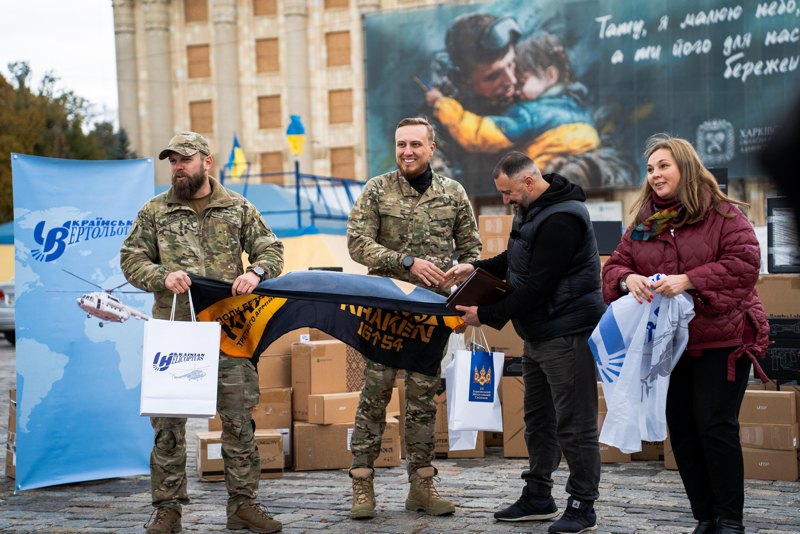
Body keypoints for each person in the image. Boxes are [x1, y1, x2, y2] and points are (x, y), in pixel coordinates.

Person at [601, 134, 770, 534]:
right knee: (683, 428)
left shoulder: (723, 215)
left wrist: (689, 280)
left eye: (663, 166)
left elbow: (745, 264)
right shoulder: (644, 223)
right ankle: (705, 517)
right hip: (669, 347)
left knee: (714, 425)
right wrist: (628, 280)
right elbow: (613, 268)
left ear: (686, 168)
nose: (655, 175)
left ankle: (730, 519)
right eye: (650, 169)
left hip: (724, 340)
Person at [120, 132, 285, 534]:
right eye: (172, 161)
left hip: (230, 331)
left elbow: (271, 249)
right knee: (168, 426)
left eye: (185, 160)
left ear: (206, 162)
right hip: (175, 335)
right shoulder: (155, 211)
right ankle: (168, 510)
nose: (177, 167)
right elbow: (131, 259)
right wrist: (162, 274)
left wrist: (255, 272)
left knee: (238, 421)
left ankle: (243, 505)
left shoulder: (238, 207)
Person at [442, 151, 604, 534]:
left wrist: (485, 315)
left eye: (508, 192)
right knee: (538, 421)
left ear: (528, 182)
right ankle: (538, 496)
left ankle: (583, 506)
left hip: (567, 334)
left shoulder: (563, 218)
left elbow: (535, 288)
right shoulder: (532, 208)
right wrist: (477, 267)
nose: (505, 201)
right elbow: (516, 259)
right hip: (538, 334)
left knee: (574, 426)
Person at [346, 117, 481, 520]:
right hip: (384, 310)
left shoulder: (453, 193)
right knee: (374, 397)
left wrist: (465, 269)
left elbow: (471, 248)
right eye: (401, 143)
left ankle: (421, 485)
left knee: (423, 399)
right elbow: (357, 243)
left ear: (431, 148)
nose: (407, 151)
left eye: (415, 145)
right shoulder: (377, 190)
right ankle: (362, 485)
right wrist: (403, 260)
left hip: (430, 313)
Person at [427, 32, 601, 174]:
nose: (515, 88)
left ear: (551, 75)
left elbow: (479, 135)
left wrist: (443, 105)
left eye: (522, 81)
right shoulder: (577, 106)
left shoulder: (528, 114)